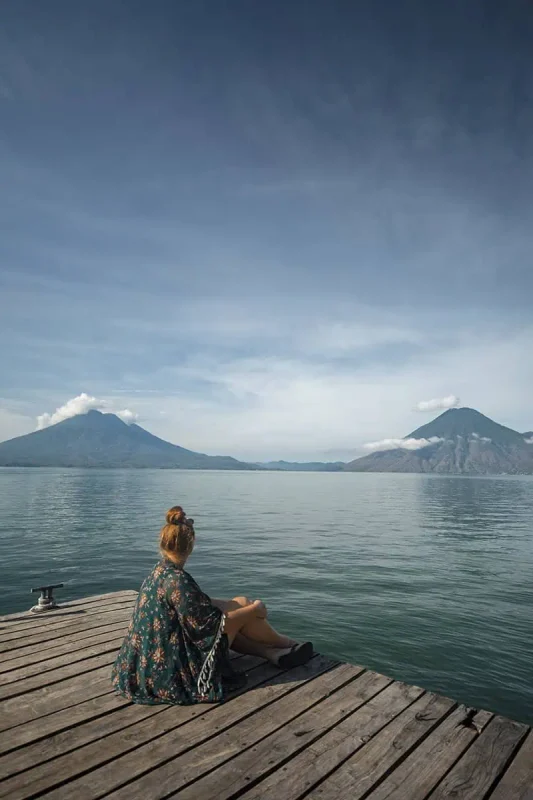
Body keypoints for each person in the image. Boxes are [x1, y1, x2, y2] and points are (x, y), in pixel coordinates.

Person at [111, 505, 313, 705]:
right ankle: (287, 643)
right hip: (168, 673)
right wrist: (254, 609)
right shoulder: (179, 581)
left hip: (145, 663)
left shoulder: (160, 570)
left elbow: (197, 603)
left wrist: (235, 605)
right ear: (191, 544)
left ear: (163, 543)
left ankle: (273, 654)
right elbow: (214, 627)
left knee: (238, 603)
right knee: (228, 621)